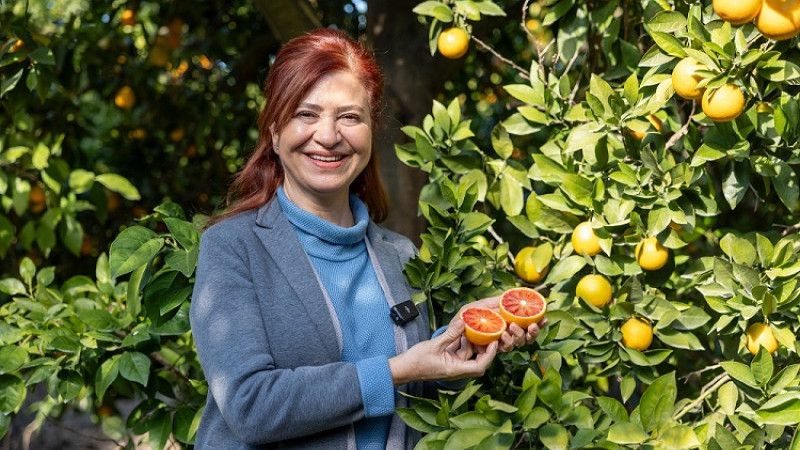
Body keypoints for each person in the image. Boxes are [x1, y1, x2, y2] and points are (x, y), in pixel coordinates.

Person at [189, 28, 546, 449]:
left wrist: (459, 339)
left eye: (349, 117)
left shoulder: (398, 254)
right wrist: (398, 371)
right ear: (273, 132)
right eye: (306, 114)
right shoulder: (234, 247)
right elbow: (251, 407)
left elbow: (413, 397)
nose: (328, 135)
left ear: (371, 132)